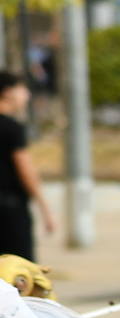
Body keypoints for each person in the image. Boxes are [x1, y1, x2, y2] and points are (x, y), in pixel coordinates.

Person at [0, 73, 54, 261]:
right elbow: (26, 171)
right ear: (7, 93)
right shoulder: (12, 128)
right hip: (9, 210)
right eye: (22, 90)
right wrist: (44, 207)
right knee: (20, 270)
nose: (27, 95)